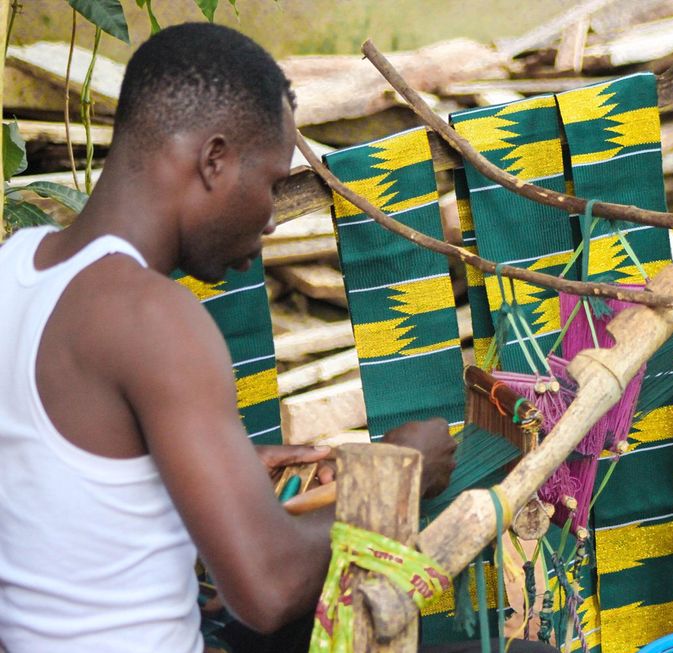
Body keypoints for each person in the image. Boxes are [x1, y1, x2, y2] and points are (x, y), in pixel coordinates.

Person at [0, 23, 458, 653]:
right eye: (270, 182)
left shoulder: (18, 266)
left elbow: (56, 487)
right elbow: (267, 590)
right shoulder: (153, 318)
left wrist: (204, 478)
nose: (272, 216)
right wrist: (402, 475)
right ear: (213, 160)